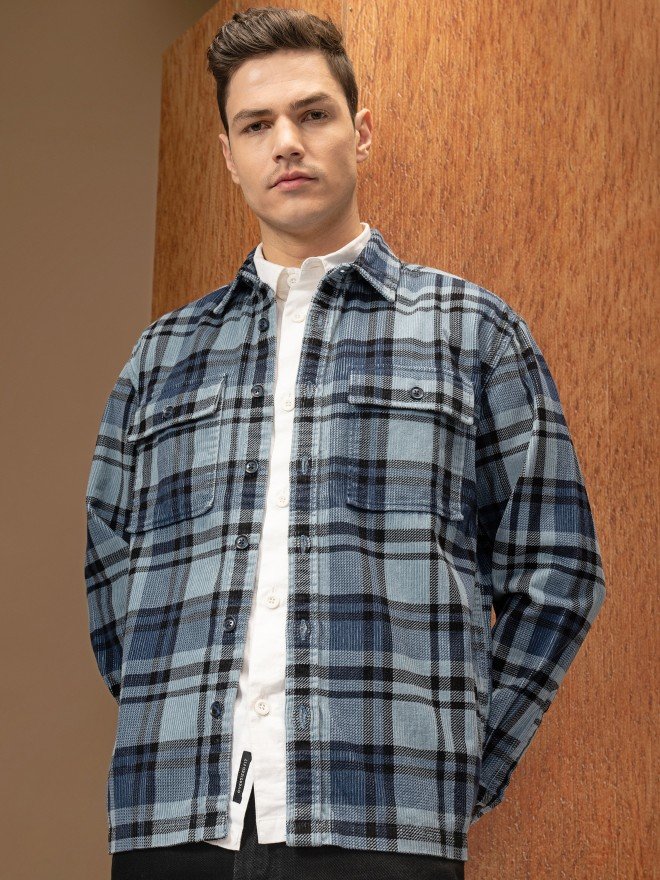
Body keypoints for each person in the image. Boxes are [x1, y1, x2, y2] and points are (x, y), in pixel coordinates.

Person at [85, 7, 606, 879]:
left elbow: (560, 568)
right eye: (257, 125)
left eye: (313, 114)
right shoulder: (160, 357)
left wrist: (461, 760)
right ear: (229, 155)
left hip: (387, 821)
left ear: (360, 132)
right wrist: (168, 721)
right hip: (172, 822)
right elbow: (112, 579)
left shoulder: (473, 332)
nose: (286, 142)